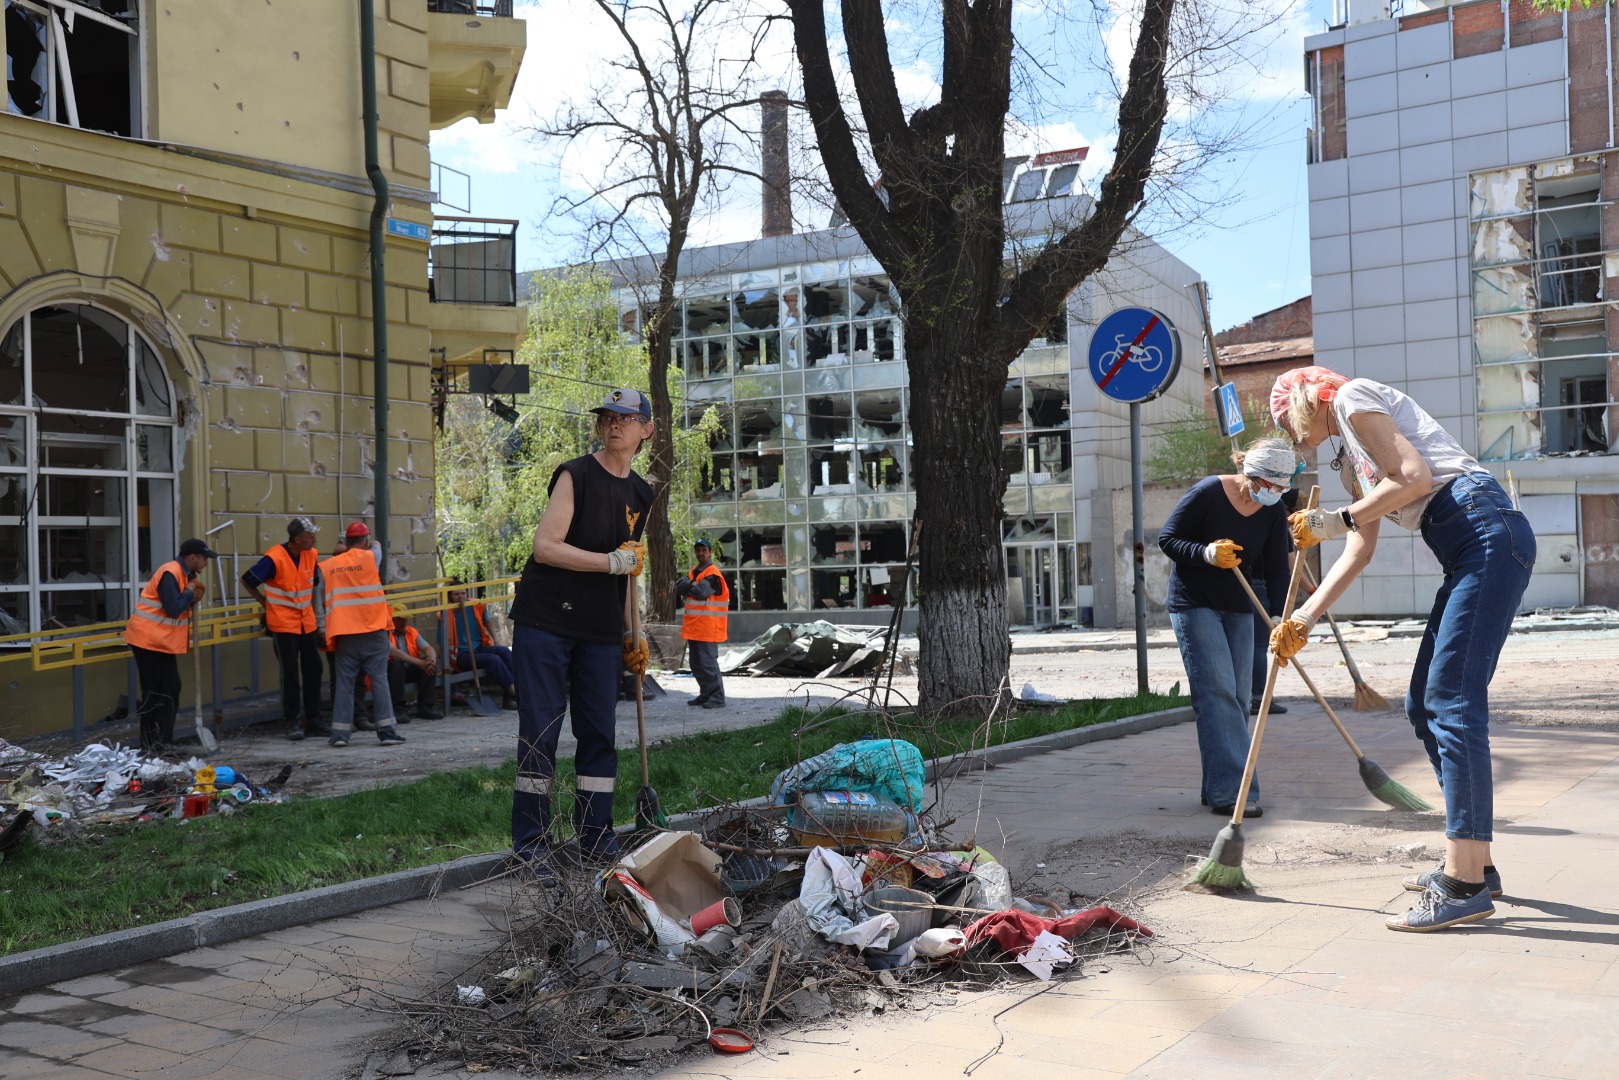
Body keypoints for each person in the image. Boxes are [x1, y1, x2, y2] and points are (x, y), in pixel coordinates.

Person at [1267, 366, 1534, 933]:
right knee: (1423, 705)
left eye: (1288, 424)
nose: (1293, 440)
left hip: (1484, 532)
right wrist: (1303, 619)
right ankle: (1477, 866)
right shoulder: (1350, 453)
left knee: (1452, 703)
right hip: (1469, 549)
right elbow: (1357, 552)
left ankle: (1461, 883)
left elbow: (1413, 477)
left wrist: (1333, 520)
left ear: (1305, 401)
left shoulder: (1355, 397)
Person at [507, 387, 655, 867]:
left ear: (645, 429)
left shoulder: (641, 492)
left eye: (625, 418)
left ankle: (596, 835)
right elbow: (546, 547)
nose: (614, 424)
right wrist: (611, 562)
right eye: (608, 417)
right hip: (545, 620)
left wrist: (636, 632)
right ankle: (531, 843)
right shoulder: (576, 475)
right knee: (542, 731)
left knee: (599, 734)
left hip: (598, 628)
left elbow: (630, 570)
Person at [1157, 438, 1296, 819]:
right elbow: (1167, 539)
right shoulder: (1208, 492)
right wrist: (1205, 553)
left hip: (1238, 605)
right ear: (1250, 474)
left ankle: (1216, 785)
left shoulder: (1272, 511)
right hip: (1194, 602)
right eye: (1269, 485)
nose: (1274, 493)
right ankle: (1236, 792)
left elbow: (1277, 570)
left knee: (1236, 699)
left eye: (1280, 488)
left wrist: (1284, 621)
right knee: (1217, 693)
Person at [124, 539, 217, 753]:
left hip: (162, 641)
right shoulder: (170, 572)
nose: (206, 563)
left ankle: (163, 742)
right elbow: (173, 608)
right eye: (204, 559)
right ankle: (149, 744)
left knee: (171, 688)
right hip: (147, 640)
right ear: (191, 558)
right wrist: (190, 591)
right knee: (153, 693)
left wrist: (192, 595)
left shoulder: (185, 576)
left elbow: (180, 605)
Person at [320, 521, 407, 748]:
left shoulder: (329, 566)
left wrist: (341, 549)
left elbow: (318, 597)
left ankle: (339, 735)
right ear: (365, 541)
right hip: (373, 630)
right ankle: (387, 731)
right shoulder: (372, 557)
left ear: (345, 542)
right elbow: (377, 544)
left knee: (344, 684)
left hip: (344, 633)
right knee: (379, 680)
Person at [242, 517, 329, 741]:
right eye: (310, 536)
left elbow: (314, 587)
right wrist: (265, 603)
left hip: (306, 622)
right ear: (298, 539)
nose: (314, 539)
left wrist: (319, 623)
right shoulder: (275, 557)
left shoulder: (311, 555)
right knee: (289, 672)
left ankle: (314, 720)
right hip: (283, 624)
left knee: (314, 669)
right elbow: (248, 580)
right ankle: (291, 721)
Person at [1249, 486, 1301, 717]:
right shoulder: (1274, 518)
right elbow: (1287, 565)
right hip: (1260, 585)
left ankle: (1248, 696)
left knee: (1248, 645)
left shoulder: (1254, 512)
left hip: (1250, 583)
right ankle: (1258, 698)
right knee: (1258, 646)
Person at [443, 583, 517, 710]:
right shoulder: (445, 614)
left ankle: (516, 691)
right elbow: (442, 641)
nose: (460, 597)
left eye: (463, 593)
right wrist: (446, 665)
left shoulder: (475, 605)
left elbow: (487, 620)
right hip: (462, 656)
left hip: (479, 647)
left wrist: (496, 639)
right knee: (493, 660)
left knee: (504, 652)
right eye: (456, 594)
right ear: (450, 597)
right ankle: (516, 694)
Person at [675, 537, 729, 709]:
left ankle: (717, 698)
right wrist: (691, 583)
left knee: (707, 663)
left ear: (710, 552)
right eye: (698, 550)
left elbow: (700, 592)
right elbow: (679, 587)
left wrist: (689, 584)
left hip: (707, 628)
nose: (700, 553)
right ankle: (706, 694)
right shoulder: (695, 571)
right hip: (694, 627)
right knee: (696, 664)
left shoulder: (713, 573)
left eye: (704, 550)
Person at [387, 603, 443, 721]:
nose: (404, 622)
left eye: (405, 619)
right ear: (391, 619)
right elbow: (394, 653)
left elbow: (428, 648)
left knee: (429, 665)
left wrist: (430, 660)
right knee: (396, 665)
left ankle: (426, 707)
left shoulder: (411, 631)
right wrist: (420, 663)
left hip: (409, 669)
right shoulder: (385, 633)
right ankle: (397, 710)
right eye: (400, 619)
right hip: (390, 673)